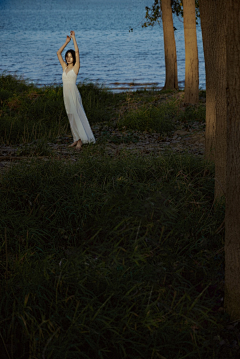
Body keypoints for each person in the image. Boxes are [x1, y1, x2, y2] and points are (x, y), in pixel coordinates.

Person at [57, 31, 96, 150]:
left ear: (74, 58)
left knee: (76, 114)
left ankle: (81, 140)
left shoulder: (76, 67)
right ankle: (75, 138)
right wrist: (66, 42)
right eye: (67, 57)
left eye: (70, 56)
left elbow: (77, 51)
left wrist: (73, 38)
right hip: (66, 94)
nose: (68, 58)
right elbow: (58, 53)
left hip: (73, 93)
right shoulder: (64, 67)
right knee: (70, 115)